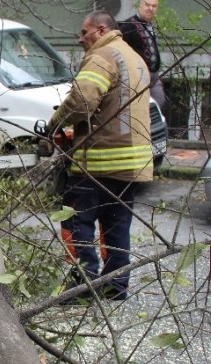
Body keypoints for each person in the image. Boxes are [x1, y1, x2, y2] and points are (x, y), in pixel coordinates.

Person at [49, 11, 154, 302]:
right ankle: (115, 288)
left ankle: (84, 286)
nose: (81, 39)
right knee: (117, 226)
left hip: (98, 161)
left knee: (75, 222)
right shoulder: (134, 57)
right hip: (131, 164)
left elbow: (81, 102)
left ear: (101, 29)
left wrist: (55, 123)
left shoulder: (103, 56)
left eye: (84, 32)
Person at [119, 0, 166, 109]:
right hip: (138, 74)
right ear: (140, 6)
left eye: (154, 6)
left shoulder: (150, 26)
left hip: (153, 74)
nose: (150, 8)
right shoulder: (128, 26)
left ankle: (151, 124)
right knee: (139, 105)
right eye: (147, 5)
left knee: (159, 101)